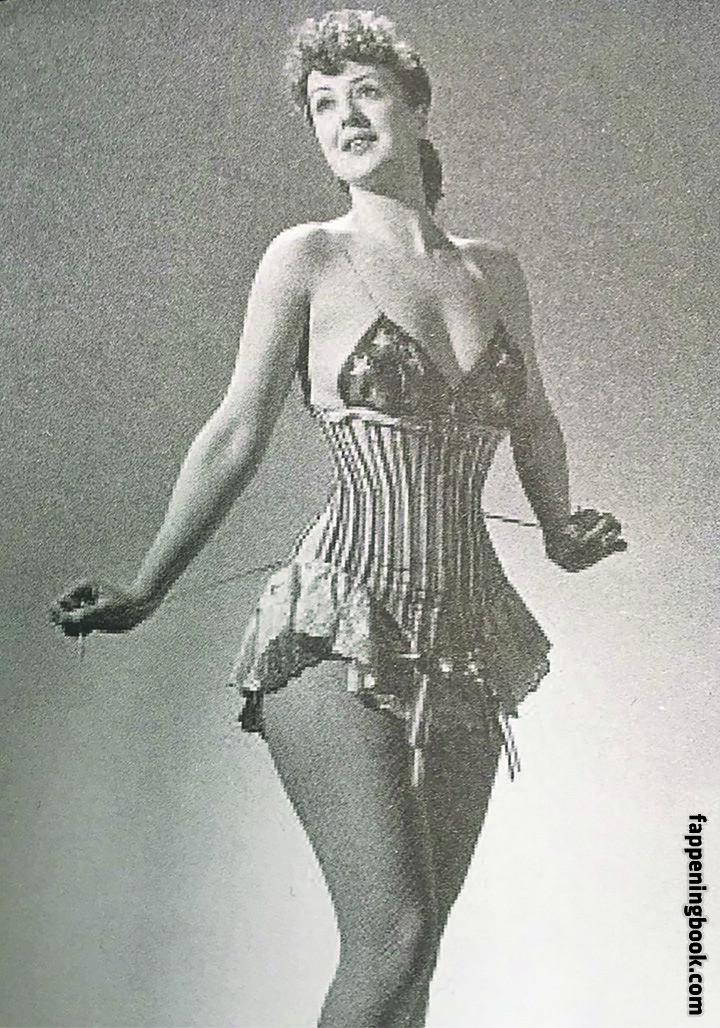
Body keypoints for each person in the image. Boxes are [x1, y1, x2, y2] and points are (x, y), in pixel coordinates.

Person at [51, 10, 626, 1027]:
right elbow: (235, 432)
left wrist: (561, 525)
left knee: (415, 963)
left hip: (471, 639)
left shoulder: (495, 270)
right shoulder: (307, 256)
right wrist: (145, 589)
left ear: (416, 106)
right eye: (322, 104)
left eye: (364, 91)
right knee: (391, 935)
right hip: (337, 622)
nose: (344, 116)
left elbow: (533, 415)